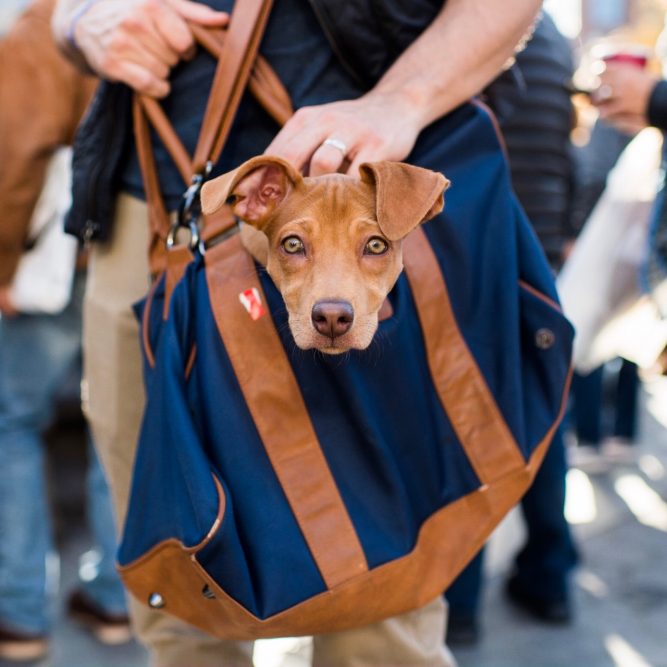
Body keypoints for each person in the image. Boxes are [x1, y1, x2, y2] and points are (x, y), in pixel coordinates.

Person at [51, 1, 542, 666]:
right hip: (154, 212)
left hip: (368, 178)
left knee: (379, 606)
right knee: (179, 579)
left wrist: (402, 98)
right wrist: (83, 23)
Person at [0, 0, 130, 661]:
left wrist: (0, 266)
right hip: (128, 251)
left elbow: (15, 152)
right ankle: (117, 598)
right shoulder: (153, 16)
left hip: (51, 261)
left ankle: (19, 613)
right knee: (117, 424)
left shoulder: (40, 27)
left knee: (11, 421)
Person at [445, 12, 579, 644]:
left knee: (467, 423)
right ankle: (550, 578)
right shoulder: (554, 41)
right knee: (547, 417)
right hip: (543, 255)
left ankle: (462, 606)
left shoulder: (468, 28)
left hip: (483, 250)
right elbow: (570, 156)